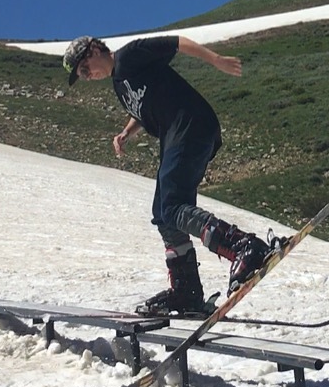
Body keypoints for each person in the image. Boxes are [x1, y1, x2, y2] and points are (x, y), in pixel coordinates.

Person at [62, 34, 272, 315]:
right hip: (178, 134)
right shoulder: (119, 81)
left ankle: (244, 247)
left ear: (93, 51)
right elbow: (144, 106)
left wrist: (216, 60)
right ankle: (186, 291)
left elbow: (177, 42)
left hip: (190, 126)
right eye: (82, 76)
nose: (87, 77)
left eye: (84, 70)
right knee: (163, 213)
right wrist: (127, 132)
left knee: (172, 208)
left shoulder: (130, 55)